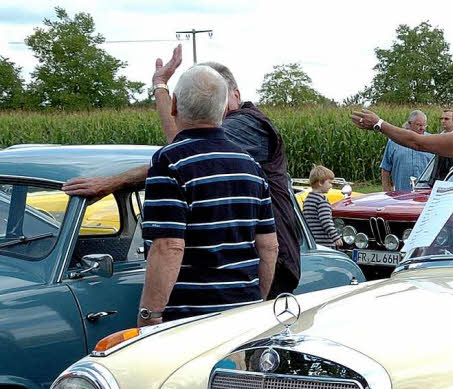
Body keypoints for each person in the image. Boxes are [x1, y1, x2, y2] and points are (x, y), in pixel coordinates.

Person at [63, 46, 304, 298]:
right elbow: (184, 149)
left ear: (235, 94)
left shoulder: (247, 122)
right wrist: (160, 85)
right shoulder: (209, 139)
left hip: (264, 264)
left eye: (214, 95)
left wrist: (111, 183)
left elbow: (185, 150)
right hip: (240, 263)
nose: (211, 105)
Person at [137, 65, 277, 326]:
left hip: (190, 321)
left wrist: (150, 314)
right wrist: (257, 302)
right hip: (243, 315)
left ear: (174, 105)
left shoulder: (168, 162)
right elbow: (269, 246)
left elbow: (169, 246)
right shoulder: (250, 165)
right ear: (224, 109)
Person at [380, 110, 433, 192]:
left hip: (426, 195)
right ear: (410, 123)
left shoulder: (431, 141)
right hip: (401, 195)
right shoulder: (394, 142)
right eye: (419, 125)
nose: (422, 128)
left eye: (424, 125)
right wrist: (387, 192)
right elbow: (385, 169)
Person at [302, 165, 342, 248]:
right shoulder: (322, 200)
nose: (331, 186)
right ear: (320, 182)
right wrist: (336, 237)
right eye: (329, 183)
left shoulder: (308, 199)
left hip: (312, 242)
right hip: (325, 244)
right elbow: (326, 221)